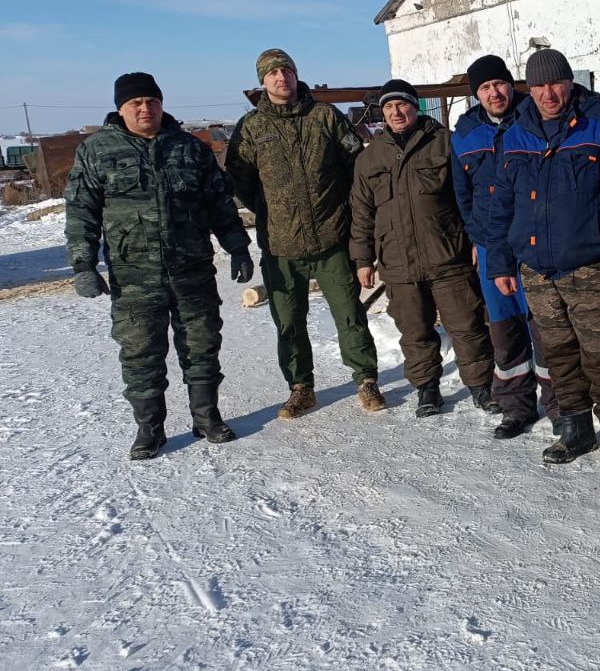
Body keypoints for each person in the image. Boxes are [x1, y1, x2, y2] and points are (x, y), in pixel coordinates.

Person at [64, 72, 254, 460]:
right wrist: (83, 264)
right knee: (140, 354)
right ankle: (149, 428)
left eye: (151, 101)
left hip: (192, 271)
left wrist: (238, 247)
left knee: (202, 347)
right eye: (135, 103)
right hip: (134, 276)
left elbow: (219, 203)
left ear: (162, 103)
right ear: (121, 108)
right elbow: (82, 210)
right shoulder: (97, 150)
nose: (145, 108)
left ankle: (206, 417)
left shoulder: (189, 148)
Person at [487, 49, 600, 487]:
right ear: (529, 88)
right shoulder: (516, 133)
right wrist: (500, 261)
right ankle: (576, 429)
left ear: (569, 83)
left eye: (555, 84)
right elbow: (501, 204)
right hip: (537, 270)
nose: (548, 94)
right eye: (538, 86)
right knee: (558, 355)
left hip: (591, 266)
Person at [225, 49, 384, 418]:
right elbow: (239, 180)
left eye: (287, 71)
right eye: (273, 73)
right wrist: (271, 209)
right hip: (280, 246)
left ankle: (366, 380)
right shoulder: (251, 128)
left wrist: (344, 211)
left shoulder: (325, 117)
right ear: (262, 81)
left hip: (332, 239)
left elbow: (354, 167)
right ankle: (301, 388)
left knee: (349, 314)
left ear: (296, 75)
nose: (282, 78)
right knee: (289, 322)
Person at [350, 79, 499, 418]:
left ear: (414, 107)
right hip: (397, 260)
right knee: (414, 330)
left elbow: (470, 197)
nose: (395, 112)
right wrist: (362, 259)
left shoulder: (445, 144)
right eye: (388, 107)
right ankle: (427, 389)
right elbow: (361, 213)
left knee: (466, 325)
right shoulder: (369, 158)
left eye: (401, 105)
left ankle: (480, 387)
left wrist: (476, 239)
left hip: (448, 254)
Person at [451, 55, 558, 439]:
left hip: (534, 243)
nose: (494, 93)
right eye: (484, 88)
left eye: (499, 84)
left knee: (545, 325)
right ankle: (516, 408)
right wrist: (478, 239)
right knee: (505, 329)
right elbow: (462, 195)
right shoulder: (464, 134)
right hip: (492, 248)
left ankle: (559, 406)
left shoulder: (535, 119)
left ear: (511, 85)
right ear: (475, 95)